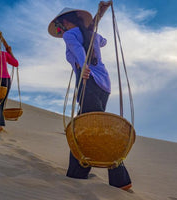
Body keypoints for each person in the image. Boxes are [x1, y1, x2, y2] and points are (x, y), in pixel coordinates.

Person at [48, 1, 132, 191]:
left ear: (66, 23)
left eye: (61, 25)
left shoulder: (69, 35)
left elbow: (79, 52)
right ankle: (77, 172)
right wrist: (97, 18)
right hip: (104, 85)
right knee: (85, 125)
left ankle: (120, 178)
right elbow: (103, 41)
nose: (61, 29)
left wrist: (84, 66)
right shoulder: (92, 35)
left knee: (94, 127)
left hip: (88, 82)